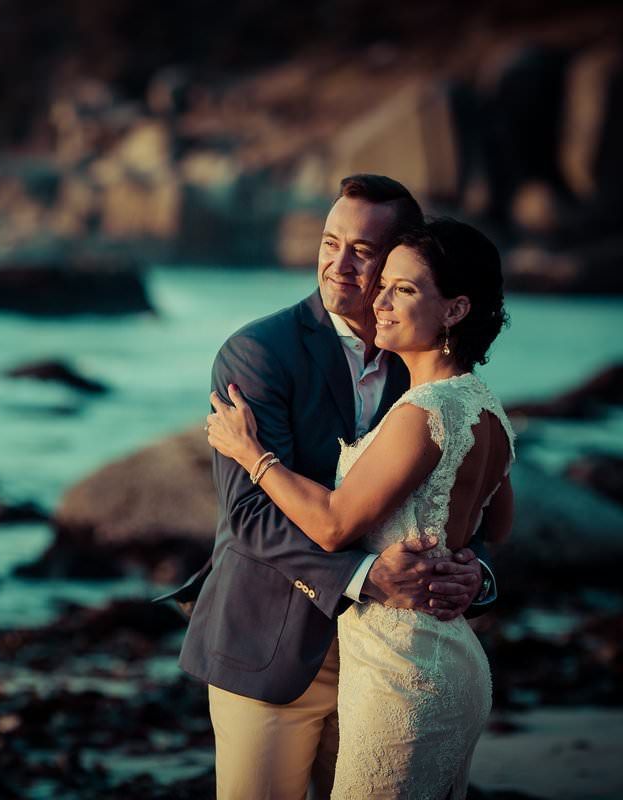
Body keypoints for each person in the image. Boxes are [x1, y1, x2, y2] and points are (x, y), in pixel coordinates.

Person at [155, 174, 496, 799]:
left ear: (400, 257)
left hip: (389, 664)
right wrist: (368, 576)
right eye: (328, 241)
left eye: (362, 251)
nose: (337, 265)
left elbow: (467, 494)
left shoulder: (424, 360)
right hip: (270, 647)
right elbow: (251, 513)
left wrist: (476, 574)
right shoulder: (259, 352)